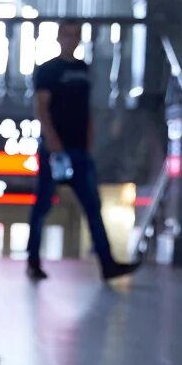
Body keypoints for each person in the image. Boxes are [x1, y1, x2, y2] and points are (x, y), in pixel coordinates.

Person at [26, 19, 138, 282]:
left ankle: (108, 264)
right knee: (42, 206)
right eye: (67, 34)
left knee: (92, 207)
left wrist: (89, 138)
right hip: (55, 151)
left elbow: (86, 108)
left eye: (76, 35)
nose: (71, 39)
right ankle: (33, 261)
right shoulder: (48, 70)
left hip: (80, 150)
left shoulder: (84, 69)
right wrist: (52, 141)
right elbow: (41, 108)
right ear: (58, 38)